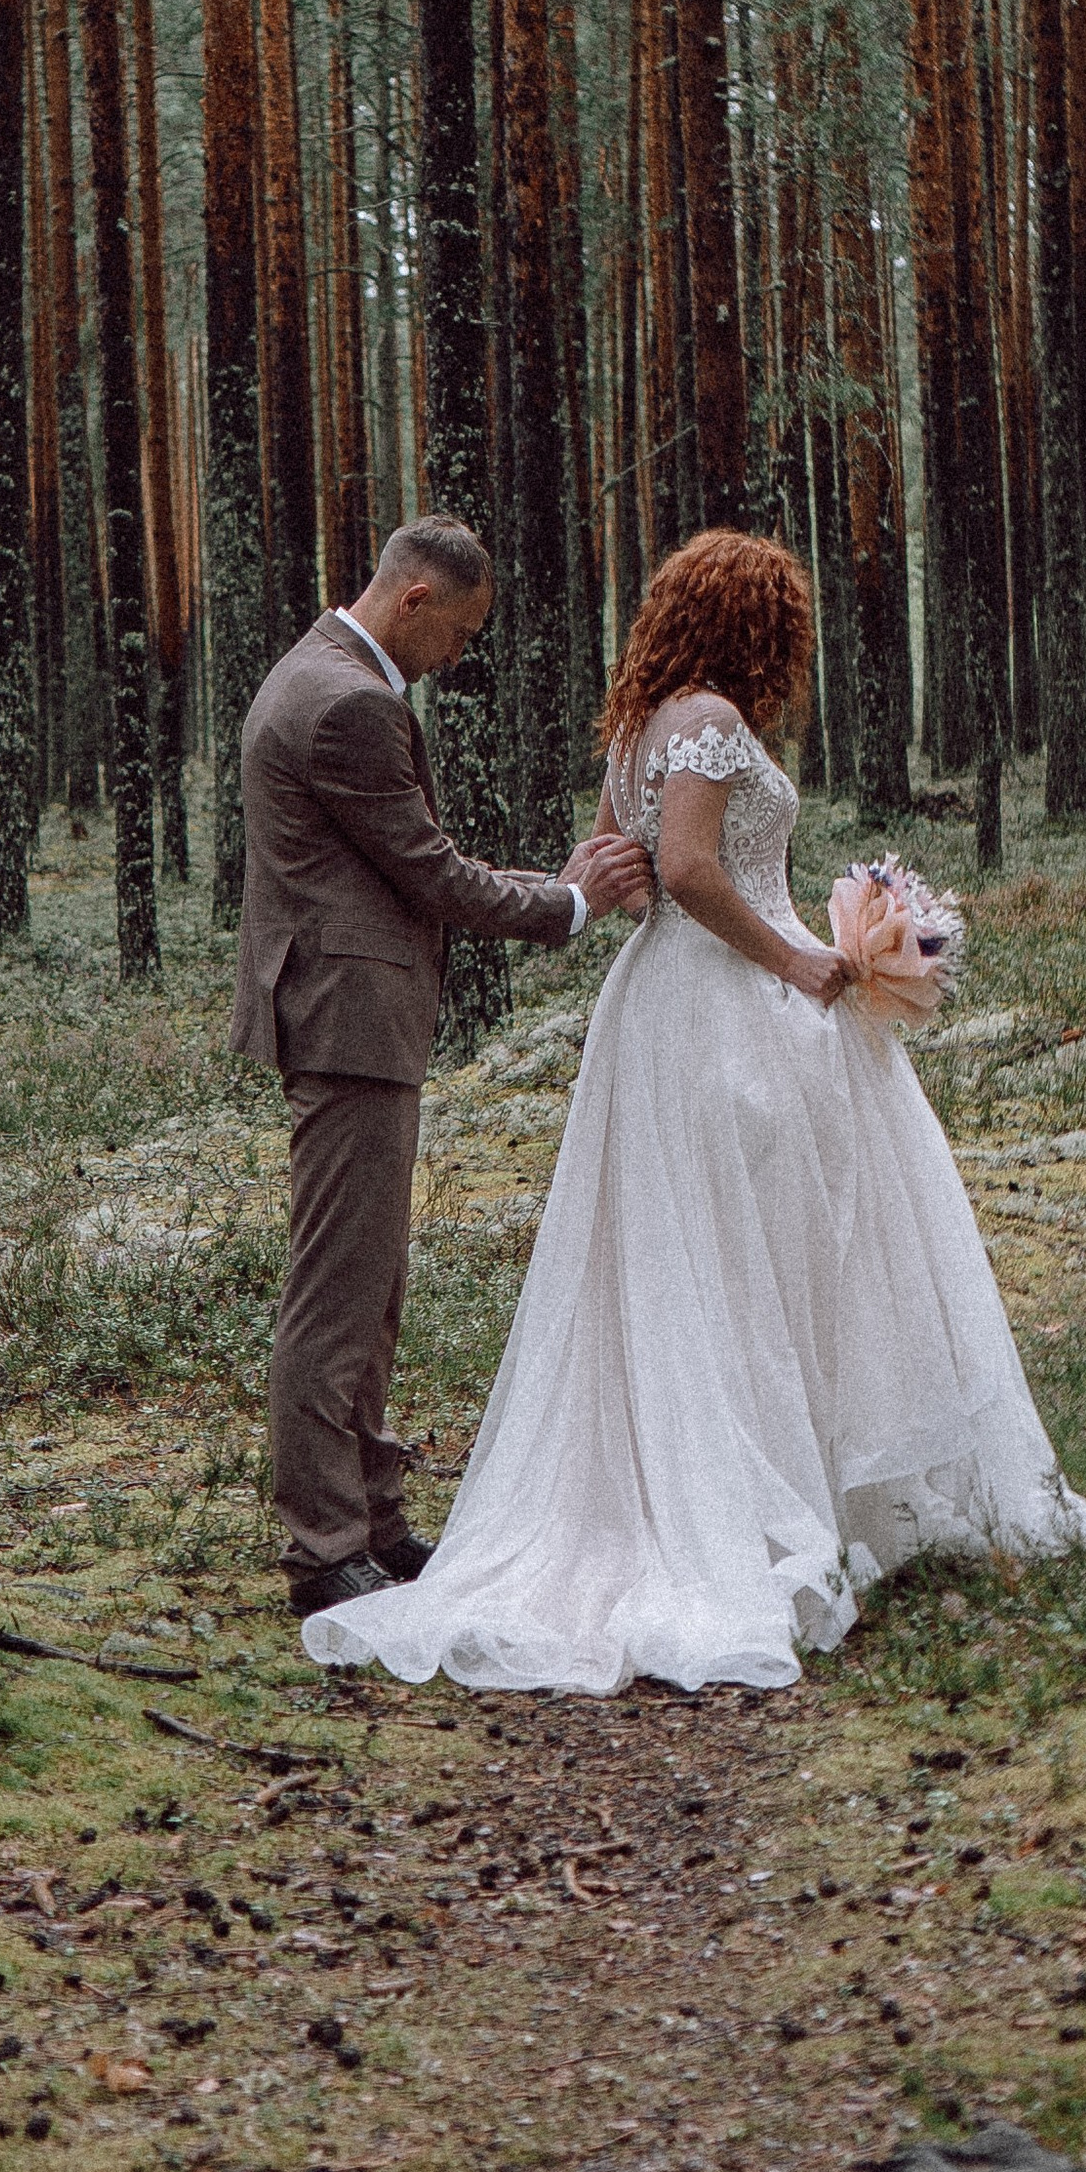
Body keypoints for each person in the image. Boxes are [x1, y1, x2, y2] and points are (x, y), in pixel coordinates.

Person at [302, 527, 1086, 1695]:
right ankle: (752, 1503)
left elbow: (626, 872)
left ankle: (783, 1478)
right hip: (727, 1009)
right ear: (755, 624)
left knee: (705, 1252)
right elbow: (683, 869)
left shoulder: (640, 726)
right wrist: (792, 958)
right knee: (750, 1250)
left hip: (665, 1002)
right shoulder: (709, 721)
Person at [233, 517, 651, 1620]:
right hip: (346, 1018)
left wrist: (549, 885)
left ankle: (367, 1516)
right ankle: (324, 1548)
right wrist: (568, 902)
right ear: (413, 599)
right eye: (459, 633)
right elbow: (428, 873)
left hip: (344, 1013)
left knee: (368, 1287)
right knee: (336, 1295)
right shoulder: (350, 706)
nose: (459, 657)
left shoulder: (318, 670)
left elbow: (406, 865)